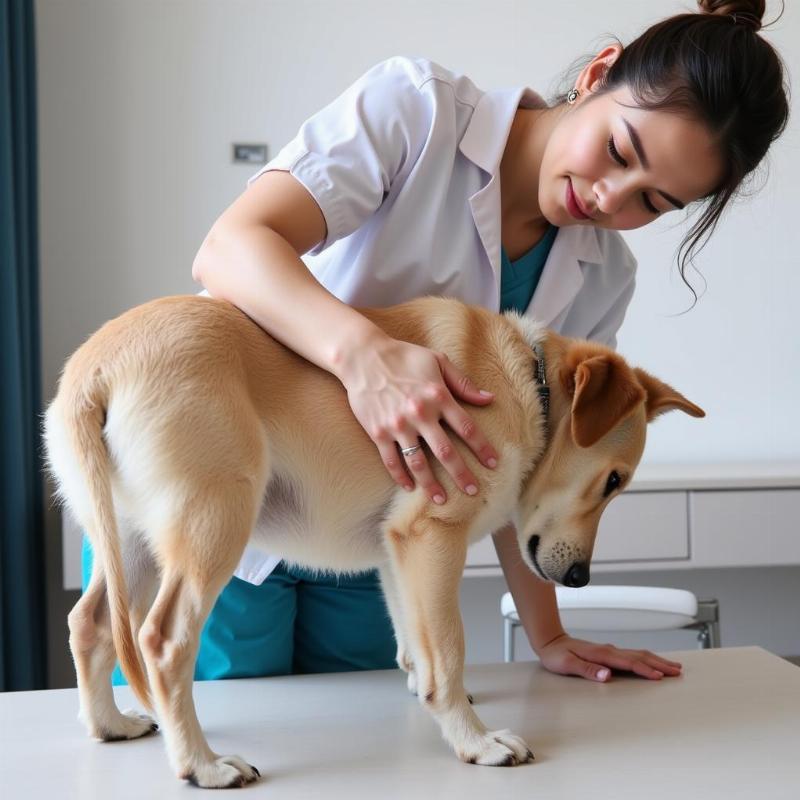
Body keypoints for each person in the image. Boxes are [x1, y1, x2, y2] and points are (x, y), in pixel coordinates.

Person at [83, 0, 788, 684]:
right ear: (598, 74)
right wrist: (365, 355)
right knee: (202, 756)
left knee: (359, 758)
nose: (610, 197)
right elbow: (232, 247)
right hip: (217, 491)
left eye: (652, 202)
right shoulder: (416, 112)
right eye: (617, 151)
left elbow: (529, 463)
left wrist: (548, 635)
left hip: (368, 542)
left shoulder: (603, 278)